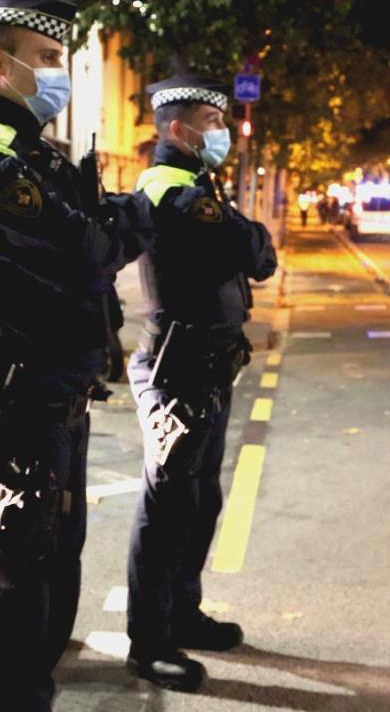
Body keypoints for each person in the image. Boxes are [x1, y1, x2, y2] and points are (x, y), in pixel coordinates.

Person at [0, 0, 153, 711]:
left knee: (45, 602)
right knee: (4, 608)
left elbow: (92, 239)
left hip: (55, 405)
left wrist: (103, 228)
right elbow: (91, 245)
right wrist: (115, 224)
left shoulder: (34, 158)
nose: (61, 75)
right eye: (50, 60)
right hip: (14, 408)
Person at [123, 74, 277, 691]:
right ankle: (148, 641)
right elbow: (254, 249)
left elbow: (258, 254)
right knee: (167, 506)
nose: (222, 134)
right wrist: (246, 239)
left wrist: (246, 241)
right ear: (180, 130)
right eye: (212, 124)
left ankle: (180, 613)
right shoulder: (170, 188)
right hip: (176, 369)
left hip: (207, 368)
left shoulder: (198, 187)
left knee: (199, 501)